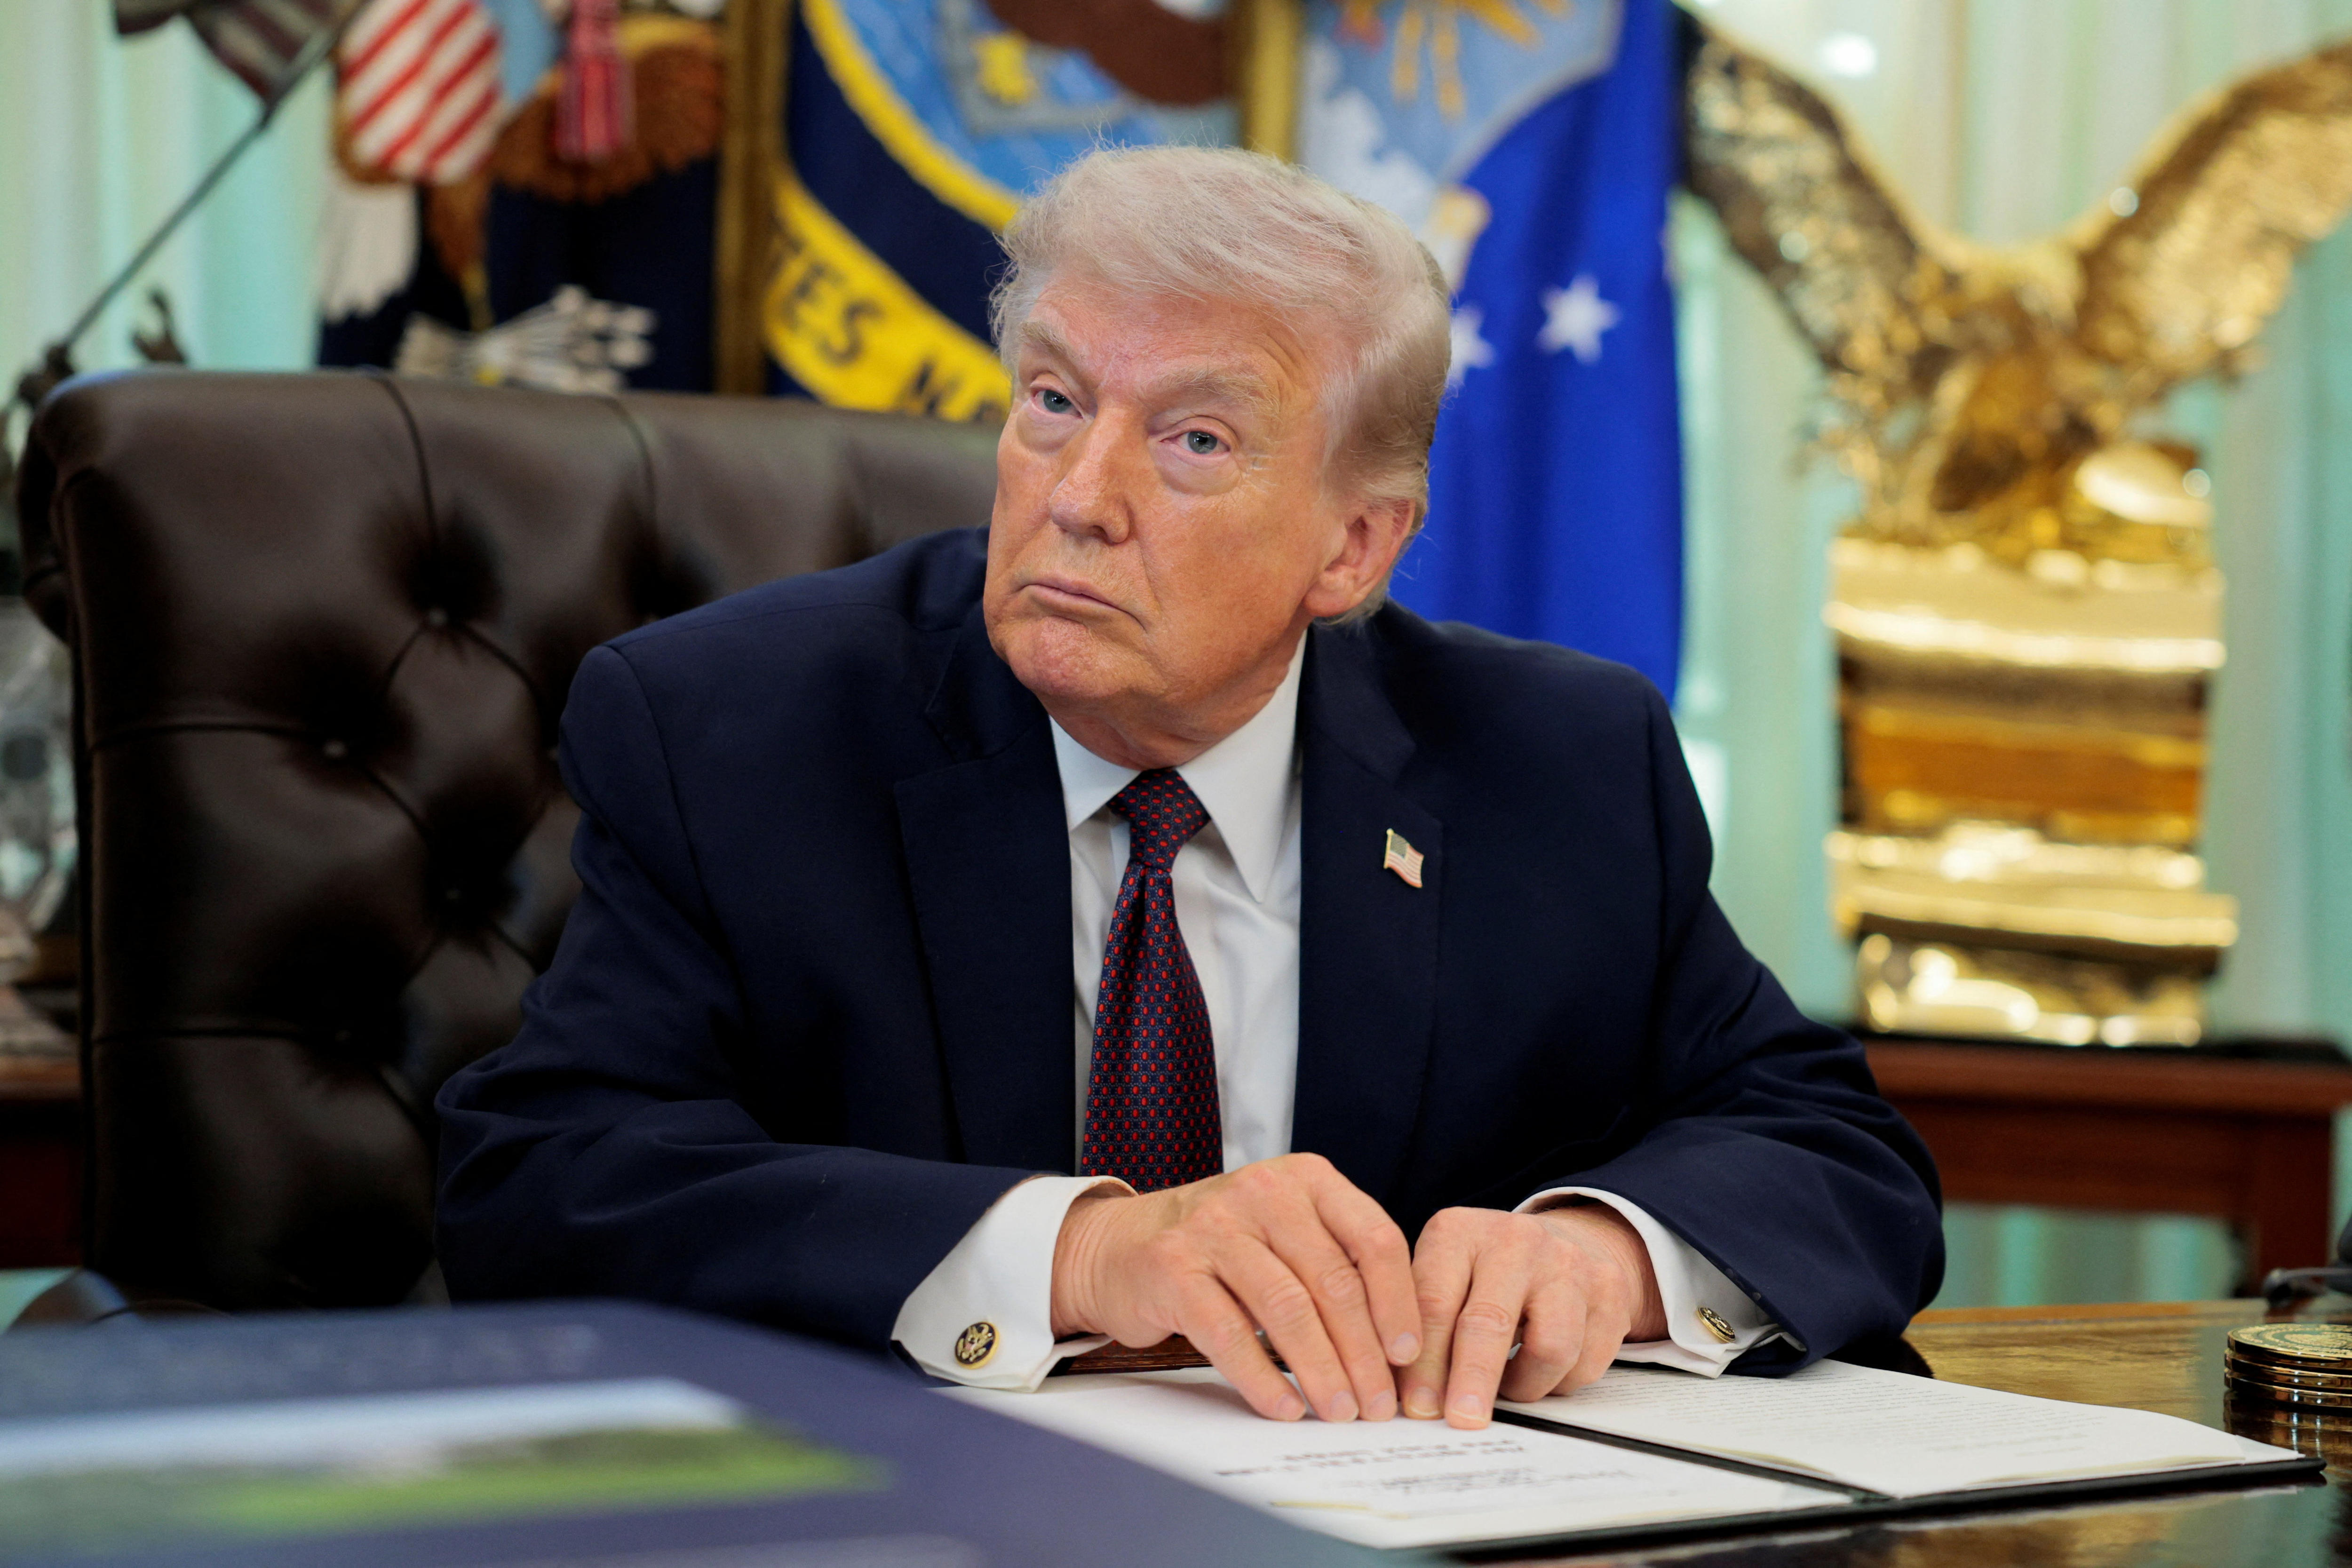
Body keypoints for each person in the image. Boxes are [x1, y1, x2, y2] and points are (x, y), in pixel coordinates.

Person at [436, 145, 1942, 1432]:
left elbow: (1834, 1152)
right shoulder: (734, 728)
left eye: (1195, 440)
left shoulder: (1556, 763)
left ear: (1353, 548)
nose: (1079, 497)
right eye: (1052, 401)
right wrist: (1080, 1255)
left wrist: (1610, 1252)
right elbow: (547, 1180)